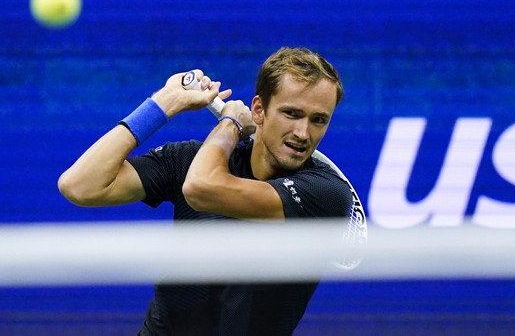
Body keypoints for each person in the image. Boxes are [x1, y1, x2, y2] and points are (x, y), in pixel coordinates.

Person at [58, 46, 352, 335]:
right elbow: (80, 185)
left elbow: (200, 187)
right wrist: (164, 103)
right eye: (291, 113)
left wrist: (231, 123)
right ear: (260, 109)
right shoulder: (185, 159)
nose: (303, 133)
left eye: (318, 120)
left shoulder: (324, 192)